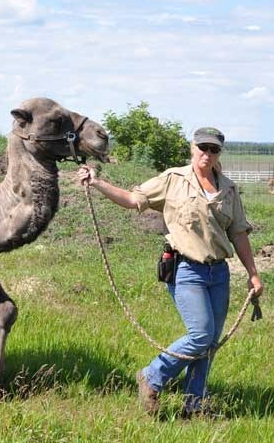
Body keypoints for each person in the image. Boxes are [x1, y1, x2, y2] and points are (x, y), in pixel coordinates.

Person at [77, 127, 264, 418]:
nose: (207, 153)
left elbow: (239, 233)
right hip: (186, 269)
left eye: (213, 149)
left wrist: (253, 274)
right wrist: (97, 182)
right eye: (202, 147)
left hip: (219, 274)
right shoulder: (173, 180)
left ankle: (195, 404)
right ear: (192, 147)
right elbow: (132, 199)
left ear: (219, 154)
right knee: (200, 335)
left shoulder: (228, 188)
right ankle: (152, 376)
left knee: (210, 342)